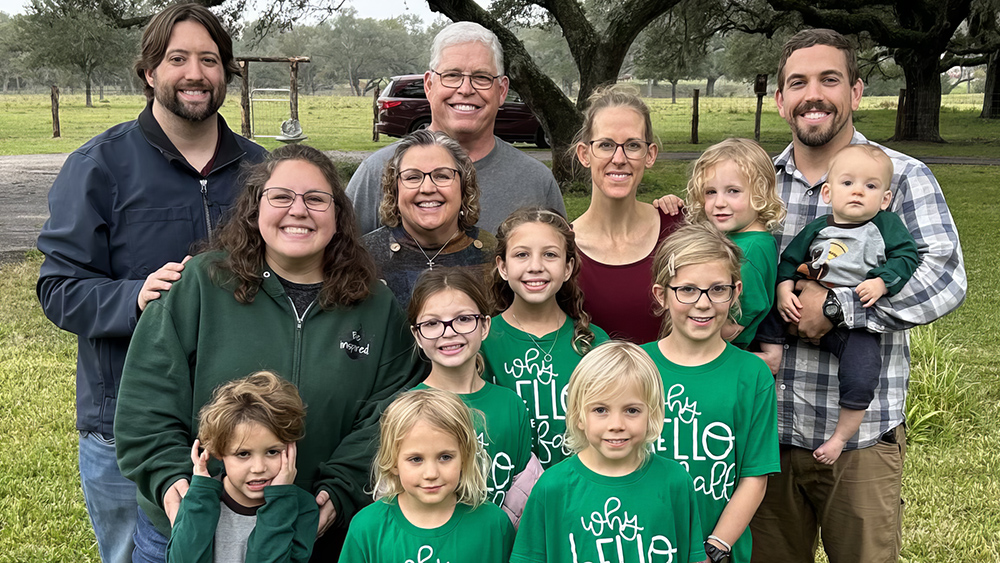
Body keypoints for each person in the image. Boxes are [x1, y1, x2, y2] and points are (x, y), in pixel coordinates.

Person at [34, 4, 267, 562]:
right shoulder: (99, 166)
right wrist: (133, 296)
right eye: (177, 58)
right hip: (125, 429)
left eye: (209, 60)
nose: (195, 73)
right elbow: (58, 287)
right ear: (149, 72)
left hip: (246, 430)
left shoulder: (262, 171)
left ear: (226, 73)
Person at [115, 144, 425, 562]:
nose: (298, 210)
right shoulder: (201, 285)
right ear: (254, 209)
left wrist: (341, 490)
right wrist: (170, 483)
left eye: (316, 199)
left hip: (311, 533)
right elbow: (145, 399)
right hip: (194, 530)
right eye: (281, 197)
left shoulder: (373, 305)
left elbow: (389, 412)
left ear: (339, 216)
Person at [749, 29, 966, 563]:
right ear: (780, 101)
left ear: (857, 91)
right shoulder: (757, 182)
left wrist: (838, 309)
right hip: (766, 434)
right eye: (797, 83)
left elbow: (943, 277)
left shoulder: (902, 177)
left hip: (860, 437)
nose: (812, 94)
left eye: (830, 79)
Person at [765, 143, 918, 466]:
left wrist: (883, 281)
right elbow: (790, 261)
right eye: (847, 184)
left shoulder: (886, 227)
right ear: (828, 193)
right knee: (768, 308)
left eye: (871, 186)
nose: (858, 192)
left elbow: (907, 257)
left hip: (852, 323)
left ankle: (840, 437)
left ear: (885, 199)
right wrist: (783, 289)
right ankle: (772, 352)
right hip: (802, 303)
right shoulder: (817, 229)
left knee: (862, 370)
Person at [641, 223, 780, 563]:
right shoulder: (636, 365)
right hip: (638, 541)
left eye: (717, 289)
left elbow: (754, 476)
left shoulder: (752, 374)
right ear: (662, 294)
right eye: (687, 289)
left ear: (736, 292)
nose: (703, 304)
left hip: (717, 548)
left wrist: (714, 548)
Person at [346, 21, 564, 235]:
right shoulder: (376, 172)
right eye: (452, 75)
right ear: (429, 86)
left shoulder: (536, 182)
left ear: (502, 90)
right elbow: (338, 264)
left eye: (481, 77)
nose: (466, 89)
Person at [511, 341, 706, 563]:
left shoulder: (675, 481)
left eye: (632, 410)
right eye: (600, 410)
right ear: (578, 415)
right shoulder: (552, 486)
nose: (616, 424)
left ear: (652, 414)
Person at [482, 206, 610, 468]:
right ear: (503, 267)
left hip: (578, 493)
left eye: (550, 255)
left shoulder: (594, 344)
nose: (536, 266)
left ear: (567, 267)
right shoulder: (481, 341)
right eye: (522, 255)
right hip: (503, 496)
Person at [406, 267, 537, 523]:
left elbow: (524, 498)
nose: (449, 331)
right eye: (432, 323)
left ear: (485, 325)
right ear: (418, 335)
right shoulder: (406, 409)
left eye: (464, 319)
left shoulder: (510, 405)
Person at [338, 388, 515, 563]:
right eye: (416, 459)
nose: (431, 474)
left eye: (445, 457)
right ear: (392, 462)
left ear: (465, 457)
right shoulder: (367, 527)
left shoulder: (494, 525)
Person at [571, 84, 685, 343]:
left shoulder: (680, 228)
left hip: (673, 384)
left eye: (632, 145)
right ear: (585, 154)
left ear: (650, 154)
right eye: (606, 145)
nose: (619, 158)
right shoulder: (560, 246)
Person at [167, 371, 318, 563]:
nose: (258, 468)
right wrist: (200, 495)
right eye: (243, 454)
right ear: (218, 452)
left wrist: (279, 502)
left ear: (291, 449)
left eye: (272, 452)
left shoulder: (302, 507)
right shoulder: (198, 499)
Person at [362, 130, 496, 307]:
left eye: (442, 176)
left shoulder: (493, 255)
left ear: (464, 186)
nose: (427, 188)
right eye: (412, 177)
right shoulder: (362, 258)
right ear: (394, 189)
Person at [684, 138, 786, 348]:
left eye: (733, 191)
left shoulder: (749, 249)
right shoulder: (738, 237)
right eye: (710, 192)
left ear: (760, 193)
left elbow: (739, 319)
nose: (719, 203)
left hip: (719, 350)